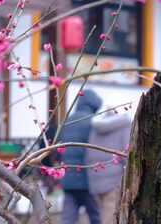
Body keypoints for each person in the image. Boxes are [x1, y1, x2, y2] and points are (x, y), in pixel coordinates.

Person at [59, 90, 102, 224]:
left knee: (68, 219)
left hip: (69, 179)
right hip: (87, 180)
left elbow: (60, 148)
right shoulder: (92, 122)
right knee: (96, 217)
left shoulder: (67, 122)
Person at [86, 105, 131, 224]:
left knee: (102, 213)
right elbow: (127, 153)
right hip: (114, 179)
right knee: (110, 215)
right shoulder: (124, 125)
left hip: (95, 177)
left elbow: (89, 152)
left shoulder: (96, 127)